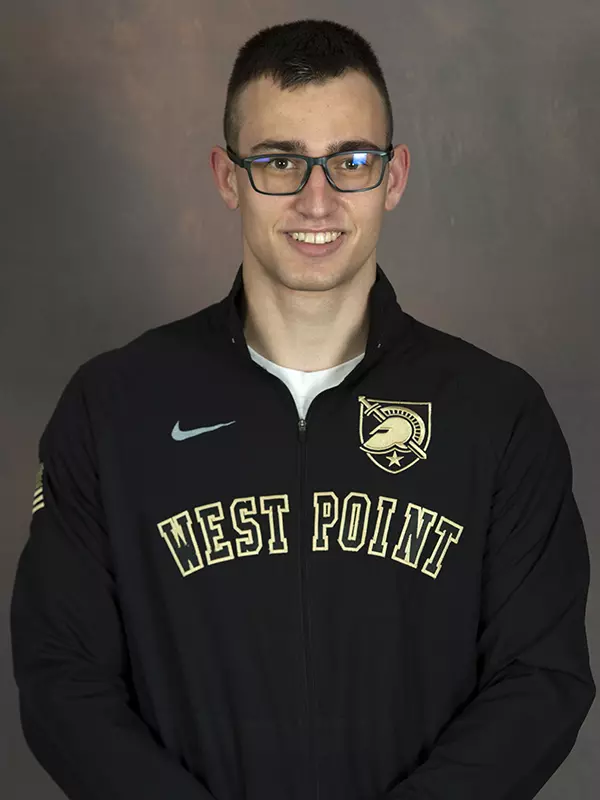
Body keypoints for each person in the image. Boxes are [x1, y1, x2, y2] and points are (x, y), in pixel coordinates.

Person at [10, 17, 595, 800]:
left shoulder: (498, 413)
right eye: (280, 161)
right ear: (227, 176)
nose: (316, 199)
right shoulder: (113, 407)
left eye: (351, 161)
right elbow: (61, 681)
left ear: (394, 176)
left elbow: (541, 677)